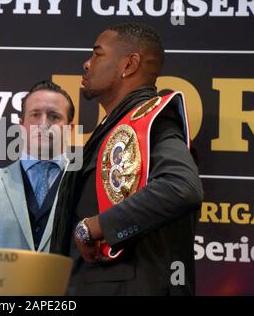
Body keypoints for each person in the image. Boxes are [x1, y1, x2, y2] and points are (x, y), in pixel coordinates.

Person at [50, 22, 203, 295]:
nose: (87, 63)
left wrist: (95, 227)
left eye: (97, 54)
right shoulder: (115, 127)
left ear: (129, 65)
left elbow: (181, 187)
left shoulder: (154, 123)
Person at [0, 80, 75, 252]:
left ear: (70, 129)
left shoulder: (84, 185)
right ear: (21, 125)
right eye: (35, 115)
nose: (44, 124)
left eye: (54, 116)